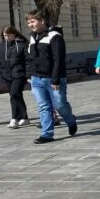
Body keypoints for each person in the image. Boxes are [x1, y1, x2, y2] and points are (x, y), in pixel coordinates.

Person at [26, 9, 78, 144]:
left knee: (60, 105)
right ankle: (47, 134)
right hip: (37, 79)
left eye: (33, 21)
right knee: (44, 107)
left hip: (54, 79)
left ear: (42, 21)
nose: (30, 25)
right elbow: (30, 59)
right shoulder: (32, 37)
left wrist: (55, 79)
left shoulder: (54, 36)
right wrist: (29, 75)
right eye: (28, 22)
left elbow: (58, 60)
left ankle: (71, 120)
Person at [0, 26, 30, 128]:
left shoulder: (22, 45)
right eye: (5, 35)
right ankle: (25, 117)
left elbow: (28, 61)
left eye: (9, 35)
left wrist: (28, 75)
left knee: (14, 94)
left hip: (19, 75)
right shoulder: (0, 47)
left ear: (14, 34)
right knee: (17, 95)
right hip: (7, 75)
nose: (7, 37)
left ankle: (14, 119)